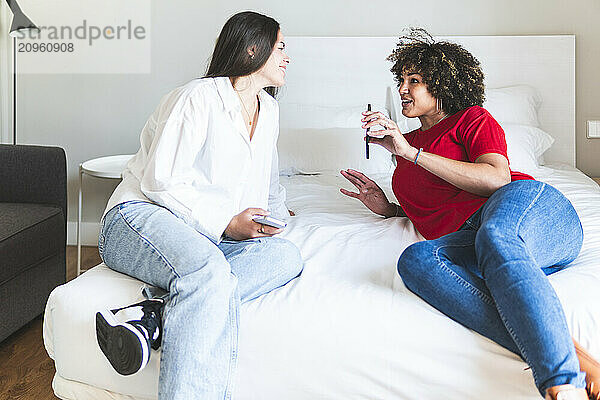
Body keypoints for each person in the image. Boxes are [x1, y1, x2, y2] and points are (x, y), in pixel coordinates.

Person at [340, 28, 600, 400]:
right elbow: (437, 205)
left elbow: (497, 178)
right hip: (481, 238)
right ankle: (570, 353)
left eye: (414, 80)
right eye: (400, 80)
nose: (402, 89)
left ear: (443, 84)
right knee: (417, 260)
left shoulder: (472, 119)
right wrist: (388, 208)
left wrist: (409, 152)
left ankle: (561, 381)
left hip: (530, 209)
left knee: (495, 236)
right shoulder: (406, 144)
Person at [95, 11, 303, 400]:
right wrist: (227, 222)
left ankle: (151, 314)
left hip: (200, 232)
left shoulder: (269, 110)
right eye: (281, 47)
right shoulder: (197, 97)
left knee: (286, 257)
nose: (287, 57)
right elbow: (160, 181)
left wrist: (274, 218)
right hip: (138, 216)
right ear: (253, 48)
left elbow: (268, 181)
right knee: (208, 272)